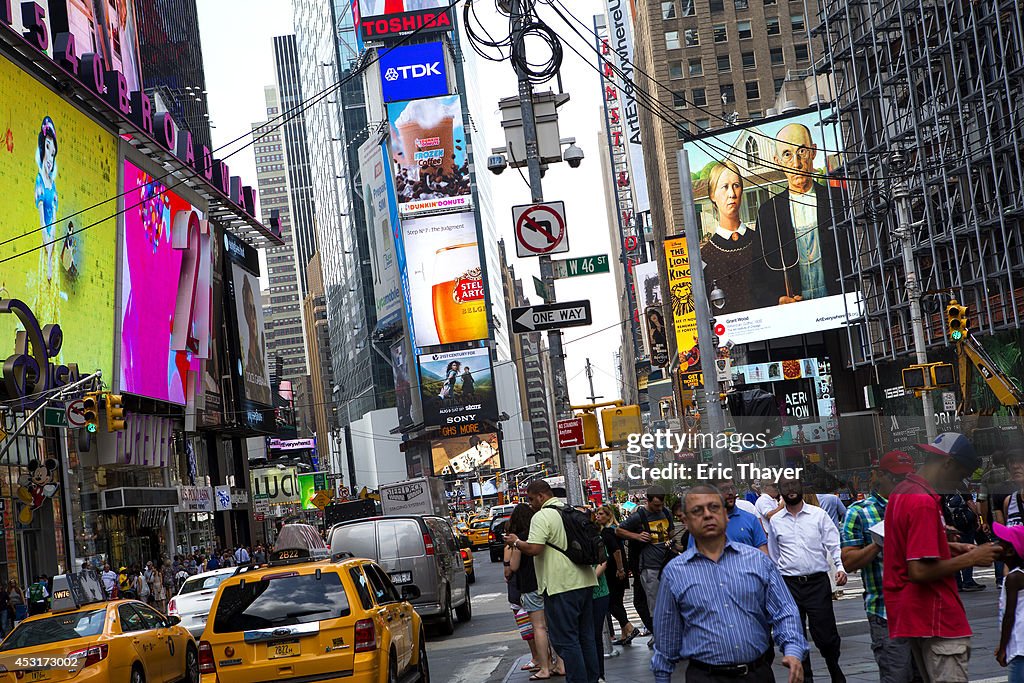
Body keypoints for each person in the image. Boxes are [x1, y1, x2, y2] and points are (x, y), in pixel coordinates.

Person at [652, 485, 807, 683]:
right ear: (686, 521)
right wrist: (662, 676)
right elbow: (666, 635)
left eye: (714, 508)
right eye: (698, 511)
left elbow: (784, 610)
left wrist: (793, 650)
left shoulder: (757, 561)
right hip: (705, 677)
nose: (707, 515)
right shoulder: (675, 573)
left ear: (726, 515)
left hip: (756, 674)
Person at [884, 433, 1002, 682]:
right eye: (961, 475)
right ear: (948, 463)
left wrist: (945, 545)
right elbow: (918, 571)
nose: (959, 483)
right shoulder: (922, 501)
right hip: (936, 617)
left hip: (917, 617)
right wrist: (973, 557)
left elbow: (903, 547)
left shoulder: (903, 491)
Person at [503, 480, 599, 683]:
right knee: (586, 638)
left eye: (531, 499)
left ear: (541, 496)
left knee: (567, 640)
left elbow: (534, 548)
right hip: (586, 581)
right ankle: (593, 679)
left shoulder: (542, 516)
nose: (530, 504)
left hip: (560, 585)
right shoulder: (570, 511)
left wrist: (516, 542)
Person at [841, 451, 917, 683]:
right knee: (897, 676)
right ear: (879, 476)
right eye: (895, 477)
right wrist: (879, 540)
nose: (901, 483)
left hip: (922, 608)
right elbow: (849, 561)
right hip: (886, 612)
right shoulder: (860, 512)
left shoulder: (919, 504)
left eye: (906, 477)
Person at [768, 476, 848, 683]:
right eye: (786, 486)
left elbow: (833, 544)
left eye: (794, 484)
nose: (791, 489)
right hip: (789, 584)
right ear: (780, 491)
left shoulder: (818, 515)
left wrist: (840, 568)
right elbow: (775, 555)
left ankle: (834, 667)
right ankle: (806, 675)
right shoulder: (776, 521)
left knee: (825, 633)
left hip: (817, 583)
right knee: (794, 631)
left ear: (802, 487)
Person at [756, 123, 843, 304]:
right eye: (787, 155)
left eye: (801, 152)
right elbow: (759, 278)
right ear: (777, 161)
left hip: (840, 306)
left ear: (813, 151)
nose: (796, 163)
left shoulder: (839, 201)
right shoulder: (768, 213)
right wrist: (779, 299)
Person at [699, 160, 769, 312]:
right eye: (724, 187)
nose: (732, 194)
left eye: (736, 186)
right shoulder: (704, 257)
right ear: (712, 195)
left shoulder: (762, 241)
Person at [508, 503, 562, 680]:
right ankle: (560, 664)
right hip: (547, 583)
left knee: (539, 627)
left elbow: (514, 566)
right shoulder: (539, 534)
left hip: (530, 586)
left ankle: (544, 667)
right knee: (554, 625)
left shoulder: (520, 540)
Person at [616, 485, 674, 646]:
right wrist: (636, 536)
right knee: (654, 604)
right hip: (649, 567)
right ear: (647, 500)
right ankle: (659, 635)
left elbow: (670, 533)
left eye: (661, 505)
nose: (659, 508)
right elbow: (619, 531)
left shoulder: (666, 512)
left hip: (668, 565)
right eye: (656, 505)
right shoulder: (639, 516)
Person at [595, 505, 637, 646]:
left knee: (612, 603)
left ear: (608, 516)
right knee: (618, 602)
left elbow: (617, 551)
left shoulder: (607, 532)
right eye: (597, 514)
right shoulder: (614, 530)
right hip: (619, 569)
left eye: (601, 514)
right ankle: (625, 634)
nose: (597, 516)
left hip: (615, 571)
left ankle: (629, 628)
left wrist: (619, 569)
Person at [689, 478, 768, 552]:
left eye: (732, 488)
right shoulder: (699, 526)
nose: (730, 492)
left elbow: (764, 554)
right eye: (724, 489)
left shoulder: (750, 519)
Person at [993, 522, 1024, 680]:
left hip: (1020, 648)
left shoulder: (1014, 578)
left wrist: (1004, 646)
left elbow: (1009, 616)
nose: (995, 544)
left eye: (1001, 543)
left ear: (1011, 551)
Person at [944, 488, 985, 592]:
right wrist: (979, 517)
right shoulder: (960, 485)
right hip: (965, 523)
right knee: (968, 549)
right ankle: (968, 581)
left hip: (950, 523)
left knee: (954, 552)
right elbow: (970, 502)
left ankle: (957, 582)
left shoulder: (941, 487)